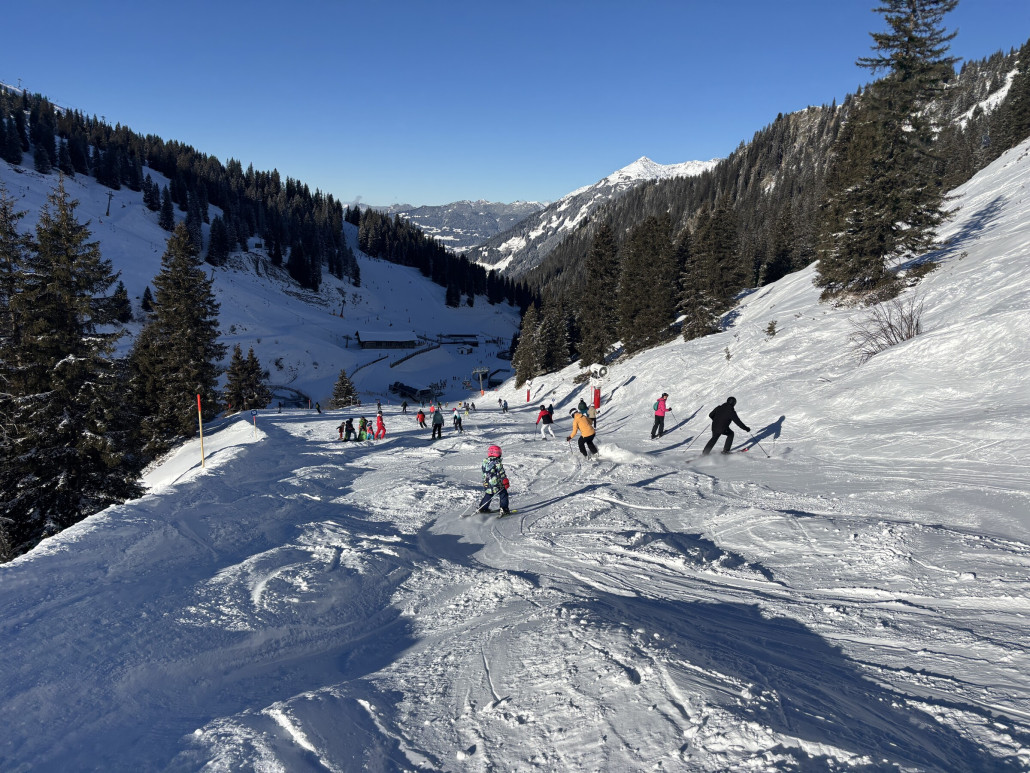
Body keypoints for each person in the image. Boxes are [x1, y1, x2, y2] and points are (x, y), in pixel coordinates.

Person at [477, 445, 511, 515]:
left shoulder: (485, 462)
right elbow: (501, 473)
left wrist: (485, 481)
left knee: (489, 494)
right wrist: (505, 481)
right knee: (503, 494)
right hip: (497, 484)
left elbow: (484, 472)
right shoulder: (497, 463)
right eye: (499, 452)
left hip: (487, 483)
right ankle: (504, 509)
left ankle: (483, 508)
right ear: (497, 453)